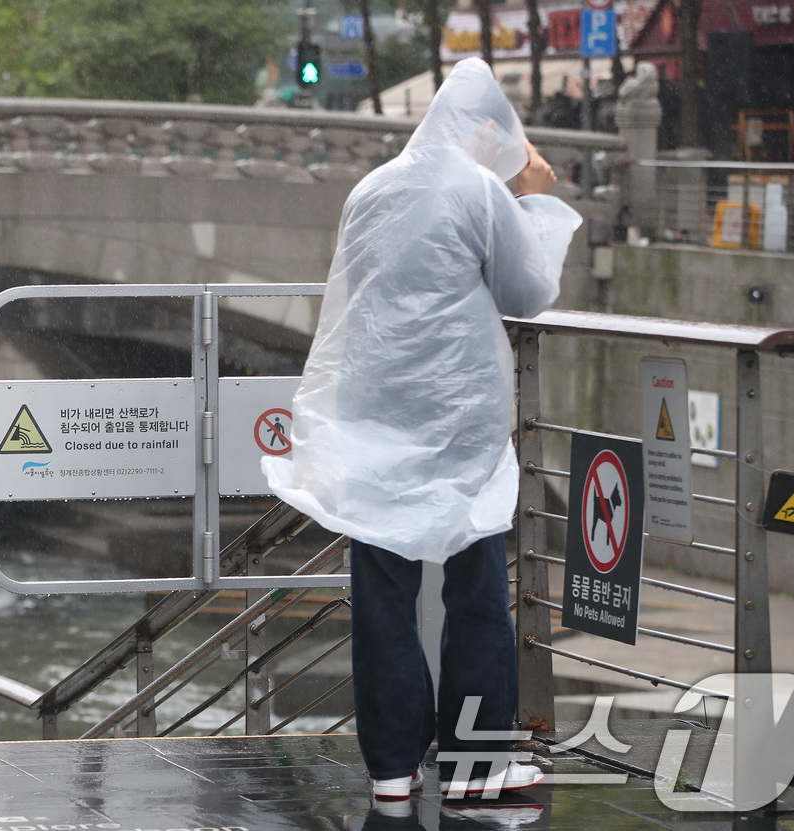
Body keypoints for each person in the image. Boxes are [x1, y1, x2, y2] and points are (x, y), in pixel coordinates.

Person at [263, 58, 582, 800]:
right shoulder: (477, 187)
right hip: (455, 423)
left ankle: (391, 767)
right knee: (474, 591)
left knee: (382, 598)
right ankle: (476, 761)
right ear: (481, 131)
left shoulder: (370, 187)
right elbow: (529, 290)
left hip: (371, 422)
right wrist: (528, 198)